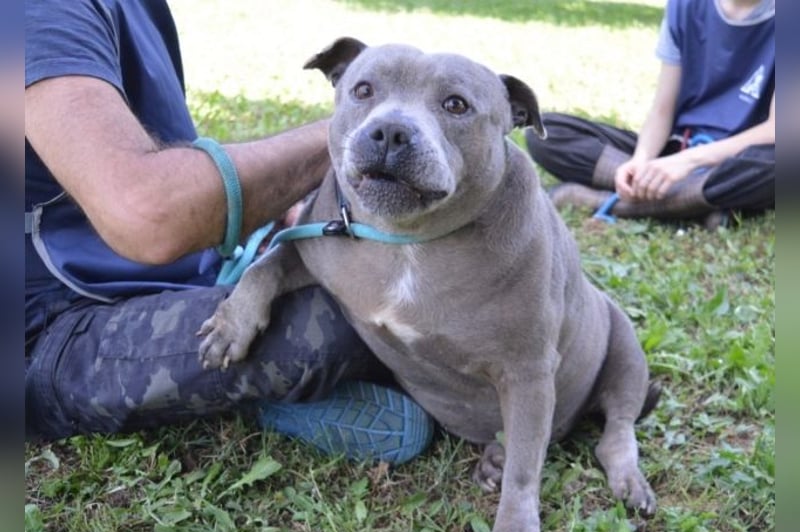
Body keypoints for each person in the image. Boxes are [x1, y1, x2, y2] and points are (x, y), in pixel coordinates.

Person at [24, 0, 433, 464]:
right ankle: (254, 398)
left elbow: (161, 158)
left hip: (183, 270)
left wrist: (259, 209)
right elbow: (146, 214)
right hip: (47, 331)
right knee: (338, 311)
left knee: (381, 271)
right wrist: (357, 131)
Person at [525, 0, 775, 229]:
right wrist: (641, 160)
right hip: (675, 149)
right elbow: (662, 110)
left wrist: (688, 162)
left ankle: (597, 200)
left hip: (740, 159)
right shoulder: (684, 6)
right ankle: (693, 203)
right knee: (547, 131)